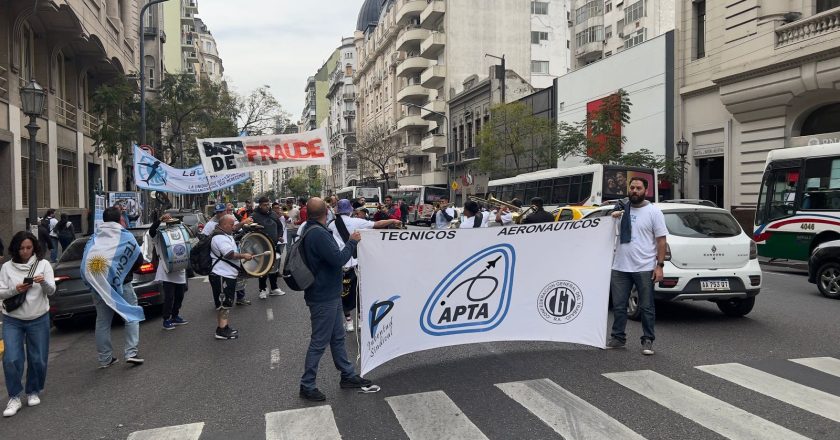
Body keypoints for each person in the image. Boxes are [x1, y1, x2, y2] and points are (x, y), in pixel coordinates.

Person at [299, 198, 371, 401]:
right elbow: (339, 259)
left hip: (328, 292)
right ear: (327, 212)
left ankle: (347, 375)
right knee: (319, 341)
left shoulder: (309, 229)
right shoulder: (318, 234)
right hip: (323, 296)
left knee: (337, 337)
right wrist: (352, 242)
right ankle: (307, 384)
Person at [607, 177, 667, 355]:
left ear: (645, 191)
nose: (634, 190)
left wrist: (660, 266)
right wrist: (611, 217)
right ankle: (618, 338)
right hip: (620, 266)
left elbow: (661, 240)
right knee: (618, 305)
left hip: (644, 266)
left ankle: (647, 340)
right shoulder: (620, 210)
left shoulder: (653, 212)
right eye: (632, 187)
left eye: (638, 188)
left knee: (647, 306)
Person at [0, 231, 54, 417]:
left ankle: (33, 390)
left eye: (28, 248)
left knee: (38, 358)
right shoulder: (7, 267)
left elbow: (51, 290)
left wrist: (44, 282)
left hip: (38, 317)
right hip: (12, 319)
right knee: (11, 358)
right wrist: (16, 289)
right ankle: (14, 396)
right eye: (21, 248)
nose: (25, 251)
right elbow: (1, 292)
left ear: (34, 248)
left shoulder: (43, 264)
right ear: (15, 248)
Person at [84, 207, 145, 368]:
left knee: (103, 322)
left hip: (99, 287)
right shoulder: (125, 235)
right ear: (120, 219)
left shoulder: (94, 238)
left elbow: (86, 262)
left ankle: (105, 358)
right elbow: (138, 258)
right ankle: (131, 352)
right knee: (131, 315)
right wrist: (124, 270)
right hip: (123, 284)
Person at [329, 199, 401, 332]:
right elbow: (377, 224)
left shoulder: (331, 225)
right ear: (350, 210)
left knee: (344, 294)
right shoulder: (356, 221)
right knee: (360, 292)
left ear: (337, 210)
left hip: (340, 264)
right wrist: (392, 221)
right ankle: (361, 320)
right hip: (356, 263)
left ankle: (349, 322)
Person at [210, 215, 254, 340]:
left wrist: (242, 223)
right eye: (231, 224)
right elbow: (229, 254)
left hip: (226, 274)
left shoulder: (224, 234)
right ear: (224, 225)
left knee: (226, 303)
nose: (233, 227)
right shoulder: (219, 238)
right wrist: (244, 255)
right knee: (223, 304)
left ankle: (224, 327)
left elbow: (235, 229)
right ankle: (221, 330)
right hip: (221, 275)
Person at [148, 213, 189, 330]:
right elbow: (151, 231)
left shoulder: (178, 234)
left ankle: (175, 316)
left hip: (180, 269)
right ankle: (166, 319)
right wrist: (160, 219)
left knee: (180, 296)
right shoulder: (159, 235)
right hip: (167, 270)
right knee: (169, 297)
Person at [251, 196, 286, 299]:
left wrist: (279, 236)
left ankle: (274, 288)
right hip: (261, 246)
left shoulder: (273, 214)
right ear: (260, 205)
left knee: (274, 267)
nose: (267, 207)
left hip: (274, 245)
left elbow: (279, 226)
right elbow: (247, 229)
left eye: (268, 204)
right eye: (264, 205)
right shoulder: (254, 216)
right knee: (263, 268)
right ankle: (262, 289)